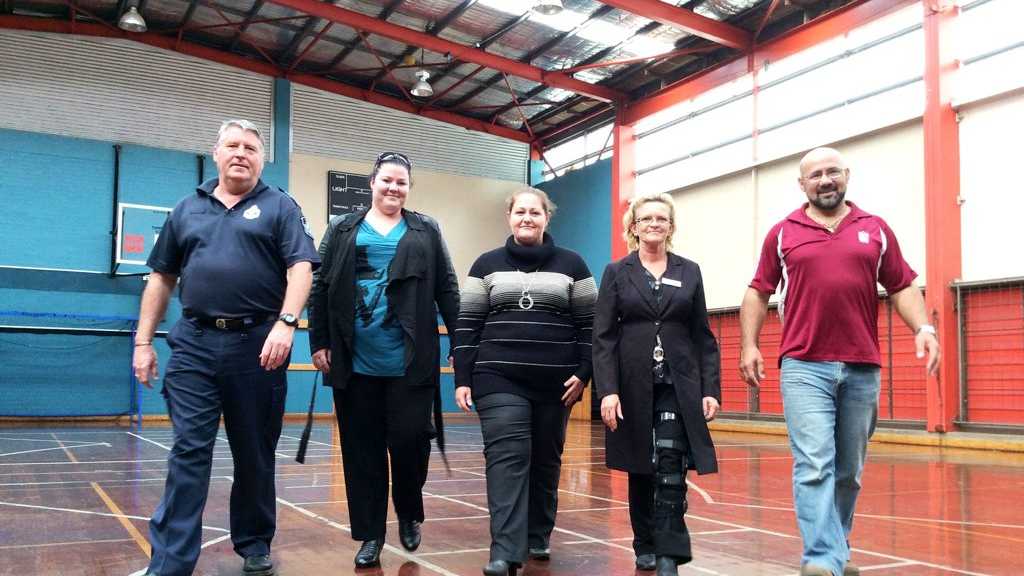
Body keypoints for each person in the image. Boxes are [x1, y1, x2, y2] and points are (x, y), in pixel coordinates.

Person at [739, 147, 941, 576]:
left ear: (846, 175)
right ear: (802, 184)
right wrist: (749, 345)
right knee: (814, 463)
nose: (825, 179)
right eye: (816, 174)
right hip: (803, 365)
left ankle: (834, 549)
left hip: (862, 366)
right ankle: (820, 560)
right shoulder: (783, 233)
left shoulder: (875, 229)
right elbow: (758, 291)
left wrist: (925, 329)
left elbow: (902, 286)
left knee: (849, 470)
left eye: (833, 171)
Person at [132, 119, 319, 576]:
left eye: (251, 147)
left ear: (261, 157)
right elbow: (161, 278)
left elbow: (301, 267)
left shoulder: (280, 207)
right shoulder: (186, 209)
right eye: (232, 146)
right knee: (189, 451)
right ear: (215, 154)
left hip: (257, 346)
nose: (241, 153)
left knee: (254, 452)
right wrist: (143, 341)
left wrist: (287, 323)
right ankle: (171, 562)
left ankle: (254, 542)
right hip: (194, 345)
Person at [307, 151, 460, 569]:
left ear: (409, 188)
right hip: (354, 362)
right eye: (387, 180)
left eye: (402, 183)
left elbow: (447, 287)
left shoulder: (426, 229)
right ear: (372, 183)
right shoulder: (342, 228)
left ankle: (409, 511)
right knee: (362, 452)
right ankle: (371, 533)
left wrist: (461, 343)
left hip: (411, 361)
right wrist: (318, 339)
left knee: (411, 442)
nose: (394, 188)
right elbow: (319, 285)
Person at [453, 187, 596, 576]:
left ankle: (537, 533)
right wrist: (463, 377)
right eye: (520, 211)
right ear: (509, 217)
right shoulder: (485, 265)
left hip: (558, 384)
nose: (527, 218)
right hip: (498, 377)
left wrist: (584, 373)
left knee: (546, 460)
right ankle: (504, 551)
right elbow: (467, 325)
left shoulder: (574, 265)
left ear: (547, 218)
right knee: (507, 459)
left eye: (535, 212)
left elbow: (591, 325)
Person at [592, 192, 721, 576]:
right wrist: (608, 390)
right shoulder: (617, 272)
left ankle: (668, 551)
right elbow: (603, 337)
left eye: (661, 219)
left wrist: (710, 388)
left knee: (670, 463)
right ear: (633, 227)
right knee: (640, 466)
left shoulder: (690, 270)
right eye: (646, 219)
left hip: (678, 385)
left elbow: (703, 335)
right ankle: (644, 544)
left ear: (671, 226)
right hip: (631, 385)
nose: (653, 224)